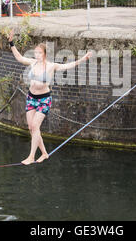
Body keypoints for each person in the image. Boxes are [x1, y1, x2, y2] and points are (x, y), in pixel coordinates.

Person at [7, 29, 92, 165]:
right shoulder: (33, 62)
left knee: (35, 126)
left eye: (39, 53)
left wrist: (83, 59)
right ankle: (45, 153)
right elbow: (19, 57)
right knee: (31, 128)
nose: (37, 55)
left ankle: (31, 156)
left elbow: (68, 65)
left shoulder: (52, 66)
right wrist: (11, 42)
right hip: (31, 98)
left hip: (44, 99)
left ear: (45, 54)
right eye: (35, 52)